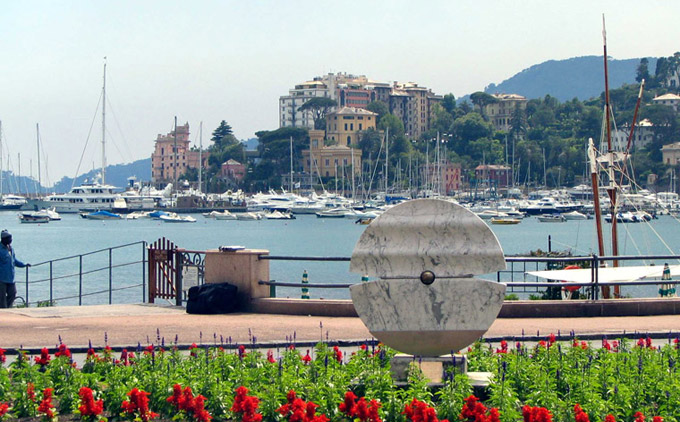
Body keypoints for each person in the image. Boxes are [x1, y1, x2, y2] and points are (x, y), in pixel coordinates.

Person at [0, 230, 30, 308]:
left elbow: (14, 260)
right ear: (3, 239)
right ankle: (3, 312)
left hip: (11, 278)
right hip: (1, 278)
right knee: (1, 297)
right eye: (9, 238)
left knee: (13, 293)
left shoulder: (11, 249)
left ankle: (6, 308)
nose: (11, 240)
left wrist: (24, 265)